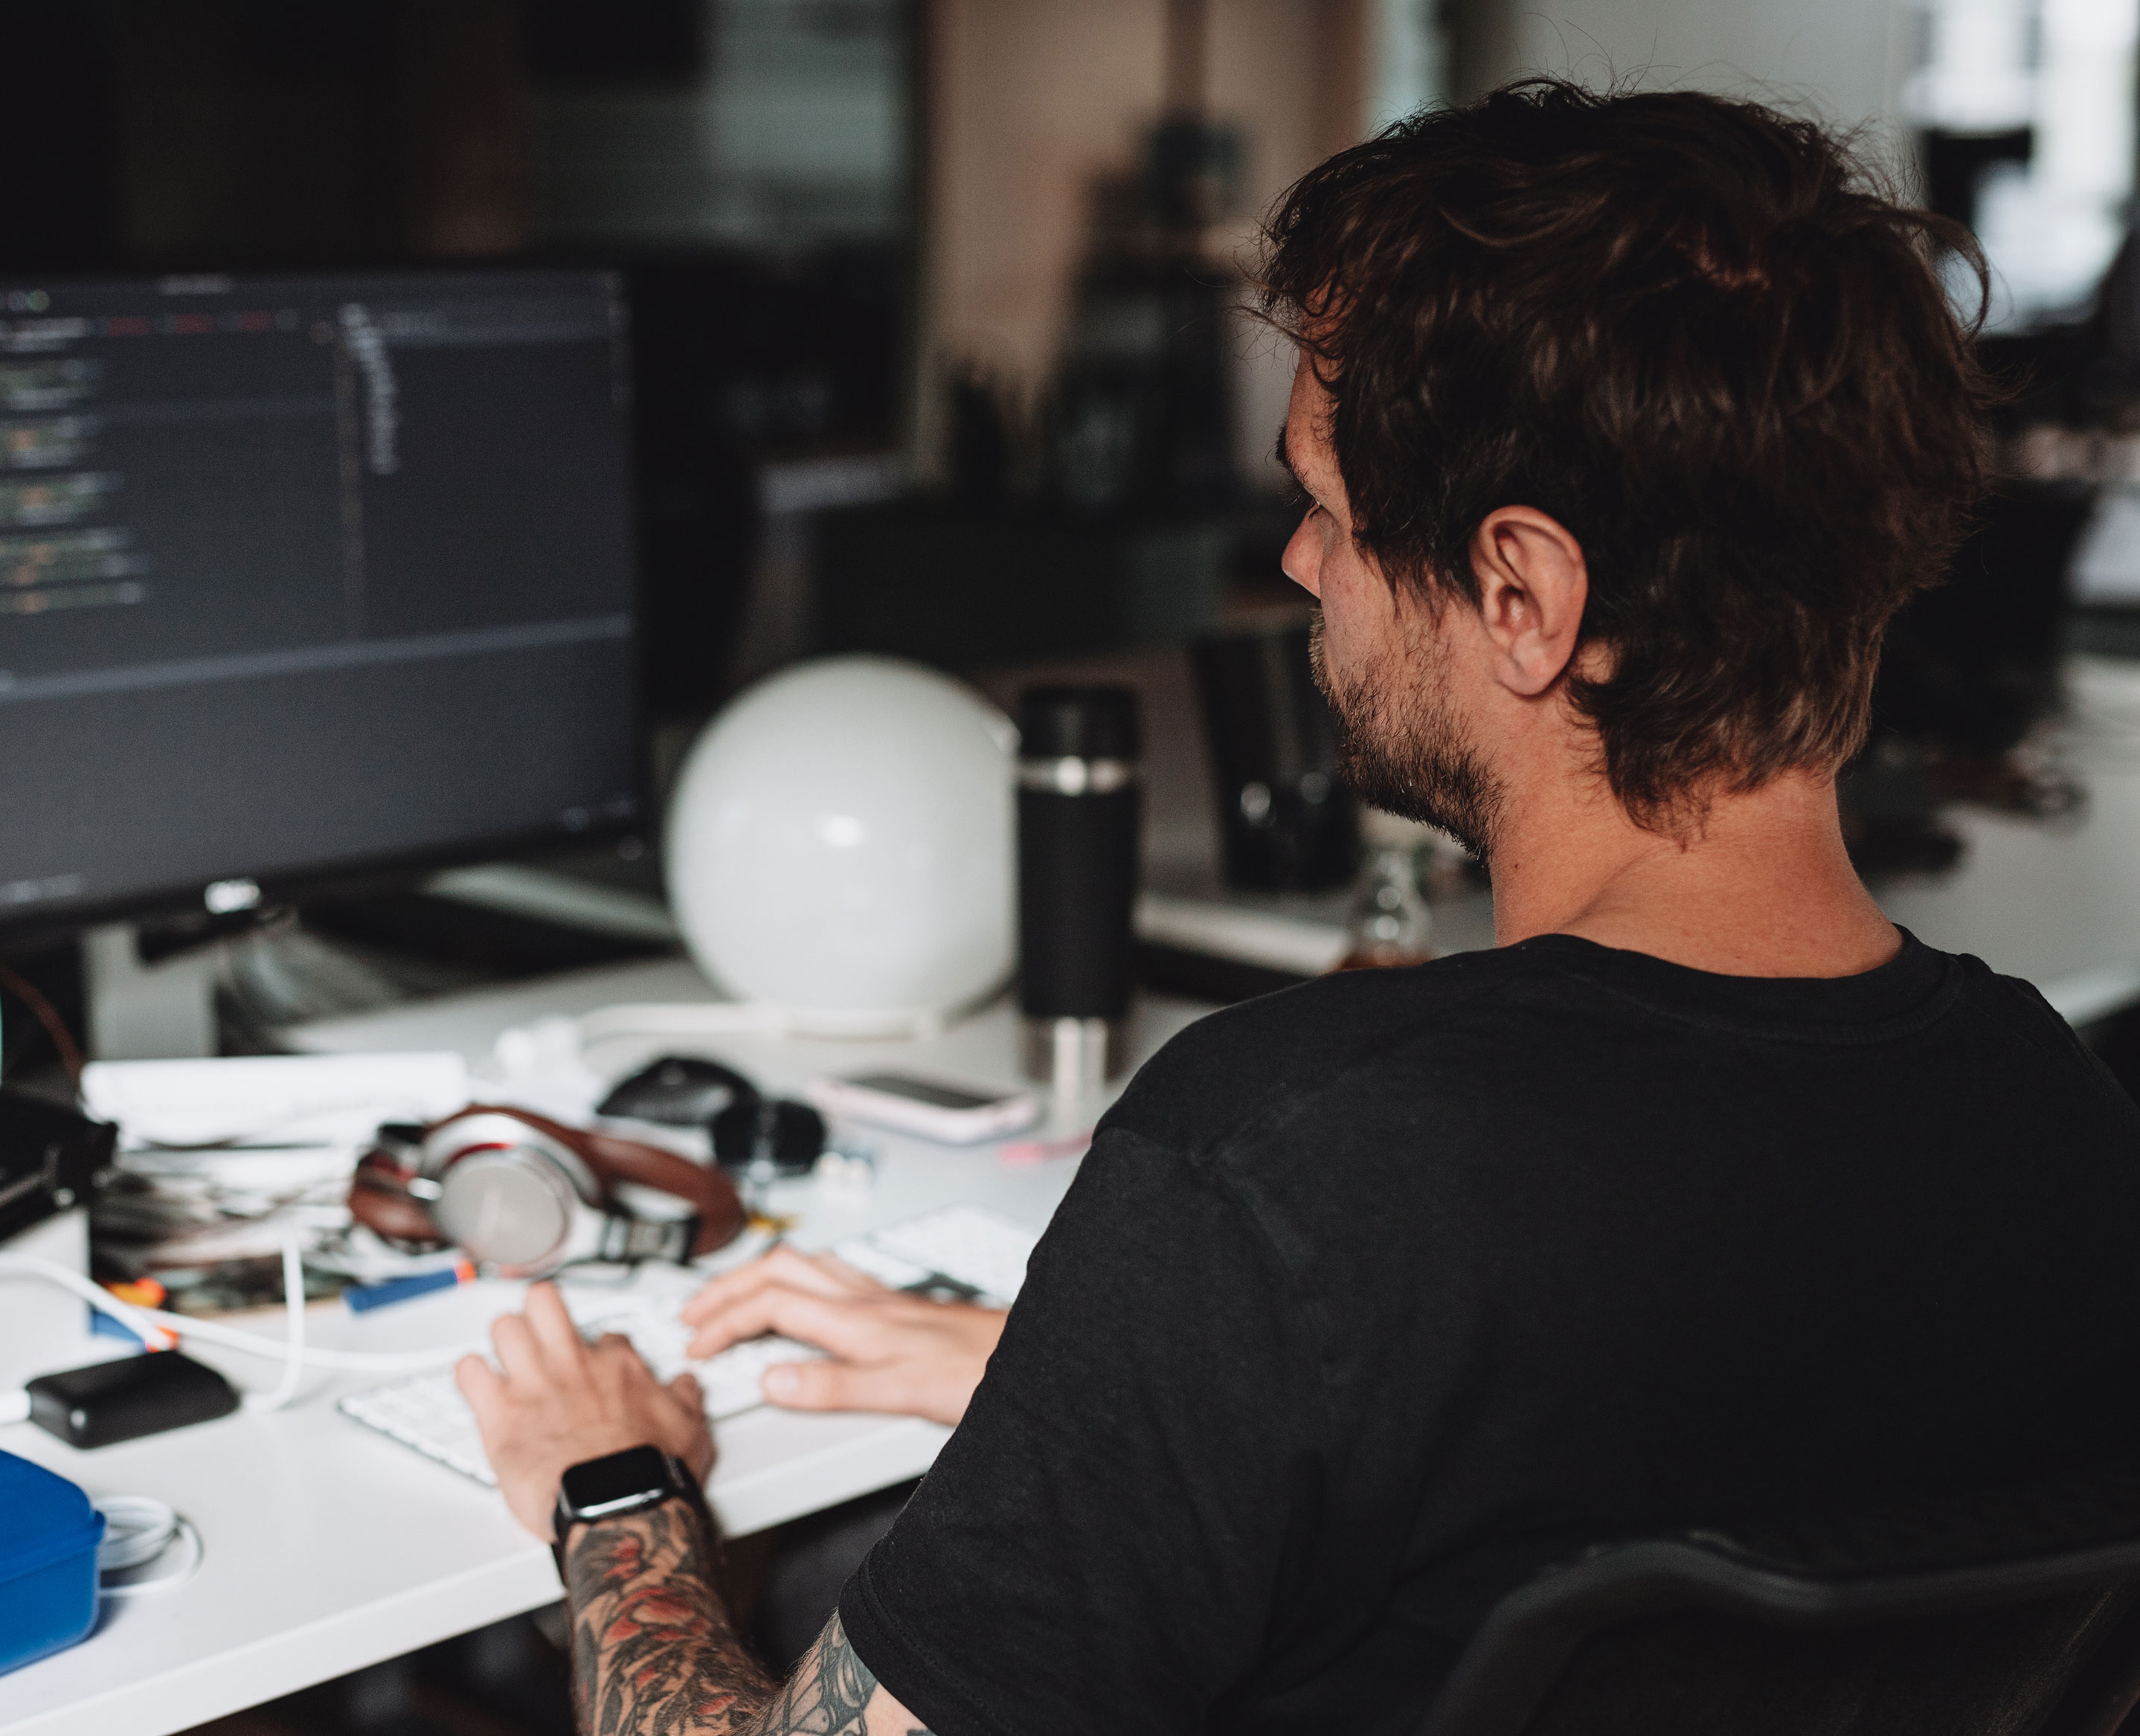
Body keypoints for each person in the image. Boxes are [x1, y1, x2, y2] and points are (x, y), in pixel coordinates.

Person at [452, 80, 2140, 1736]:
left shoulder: (1296, 1167)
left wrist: (616, 1499)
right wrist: (1127, 1407)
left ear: (1523, 593)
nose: (1299, 569)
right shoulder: (2058, 1119)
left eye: (1324, 509)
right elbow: (1645, 1468)